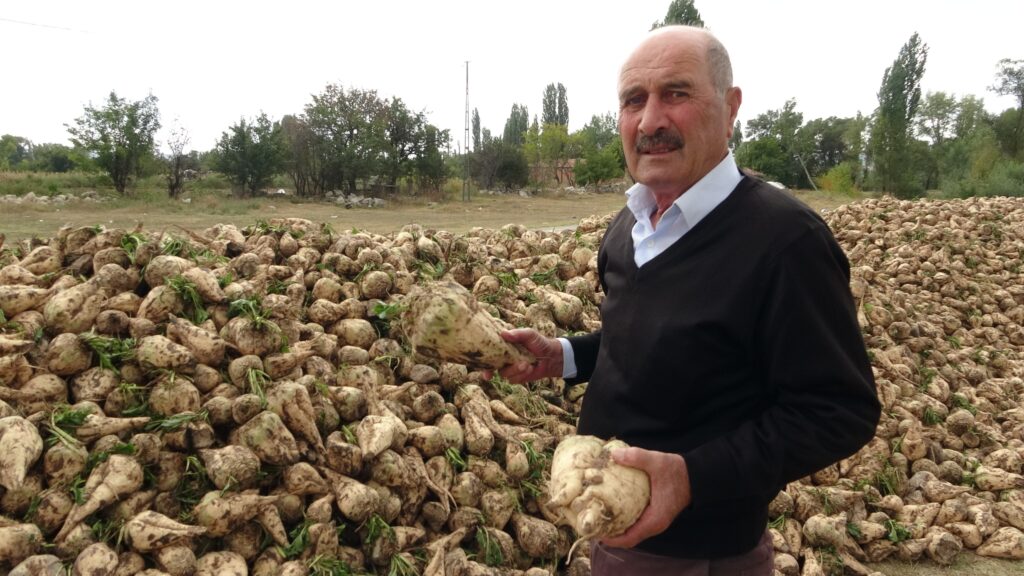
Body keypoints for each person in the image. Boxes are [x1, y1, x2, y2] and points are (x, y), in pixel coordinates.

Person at [499, 25, 880, 575]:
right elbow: (652, 340)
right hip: (609, 534)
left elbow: (840, 410)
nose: (650, 120)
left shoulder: (785, 241)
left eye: (675, 93)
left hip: (702, 558)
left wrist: (691, 478)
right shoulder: (629, 225)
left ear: (730, 109)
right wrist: (565, 355)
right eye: (634, 100)